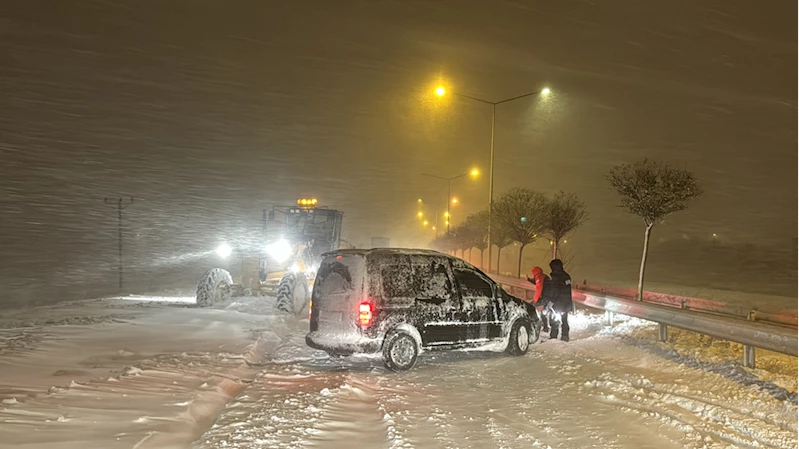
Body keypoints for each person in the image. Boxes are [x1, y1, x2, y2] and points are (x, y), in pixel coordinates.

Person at [545, 259, 573, 342]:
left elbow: (555, 291)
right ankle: (565, 335)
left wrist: (551, 302)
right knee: (564, 320)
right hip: (566, 302)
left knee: (554, 320)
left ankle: (553, 336)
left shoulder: (555, 277)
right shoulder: (567, 276)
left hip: (558, 303)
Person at [526, 267, 551, 332]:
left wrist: (535, 299)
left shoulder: (539, 277)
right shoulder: (543, 276)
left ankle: (532, 324)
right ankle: (545, 327)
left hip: (544, 297)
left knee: (530, 307)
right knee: (543, 311)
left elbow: (539, 288)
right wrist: (529, 279)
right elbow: (538, 282)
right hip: (548, 297)